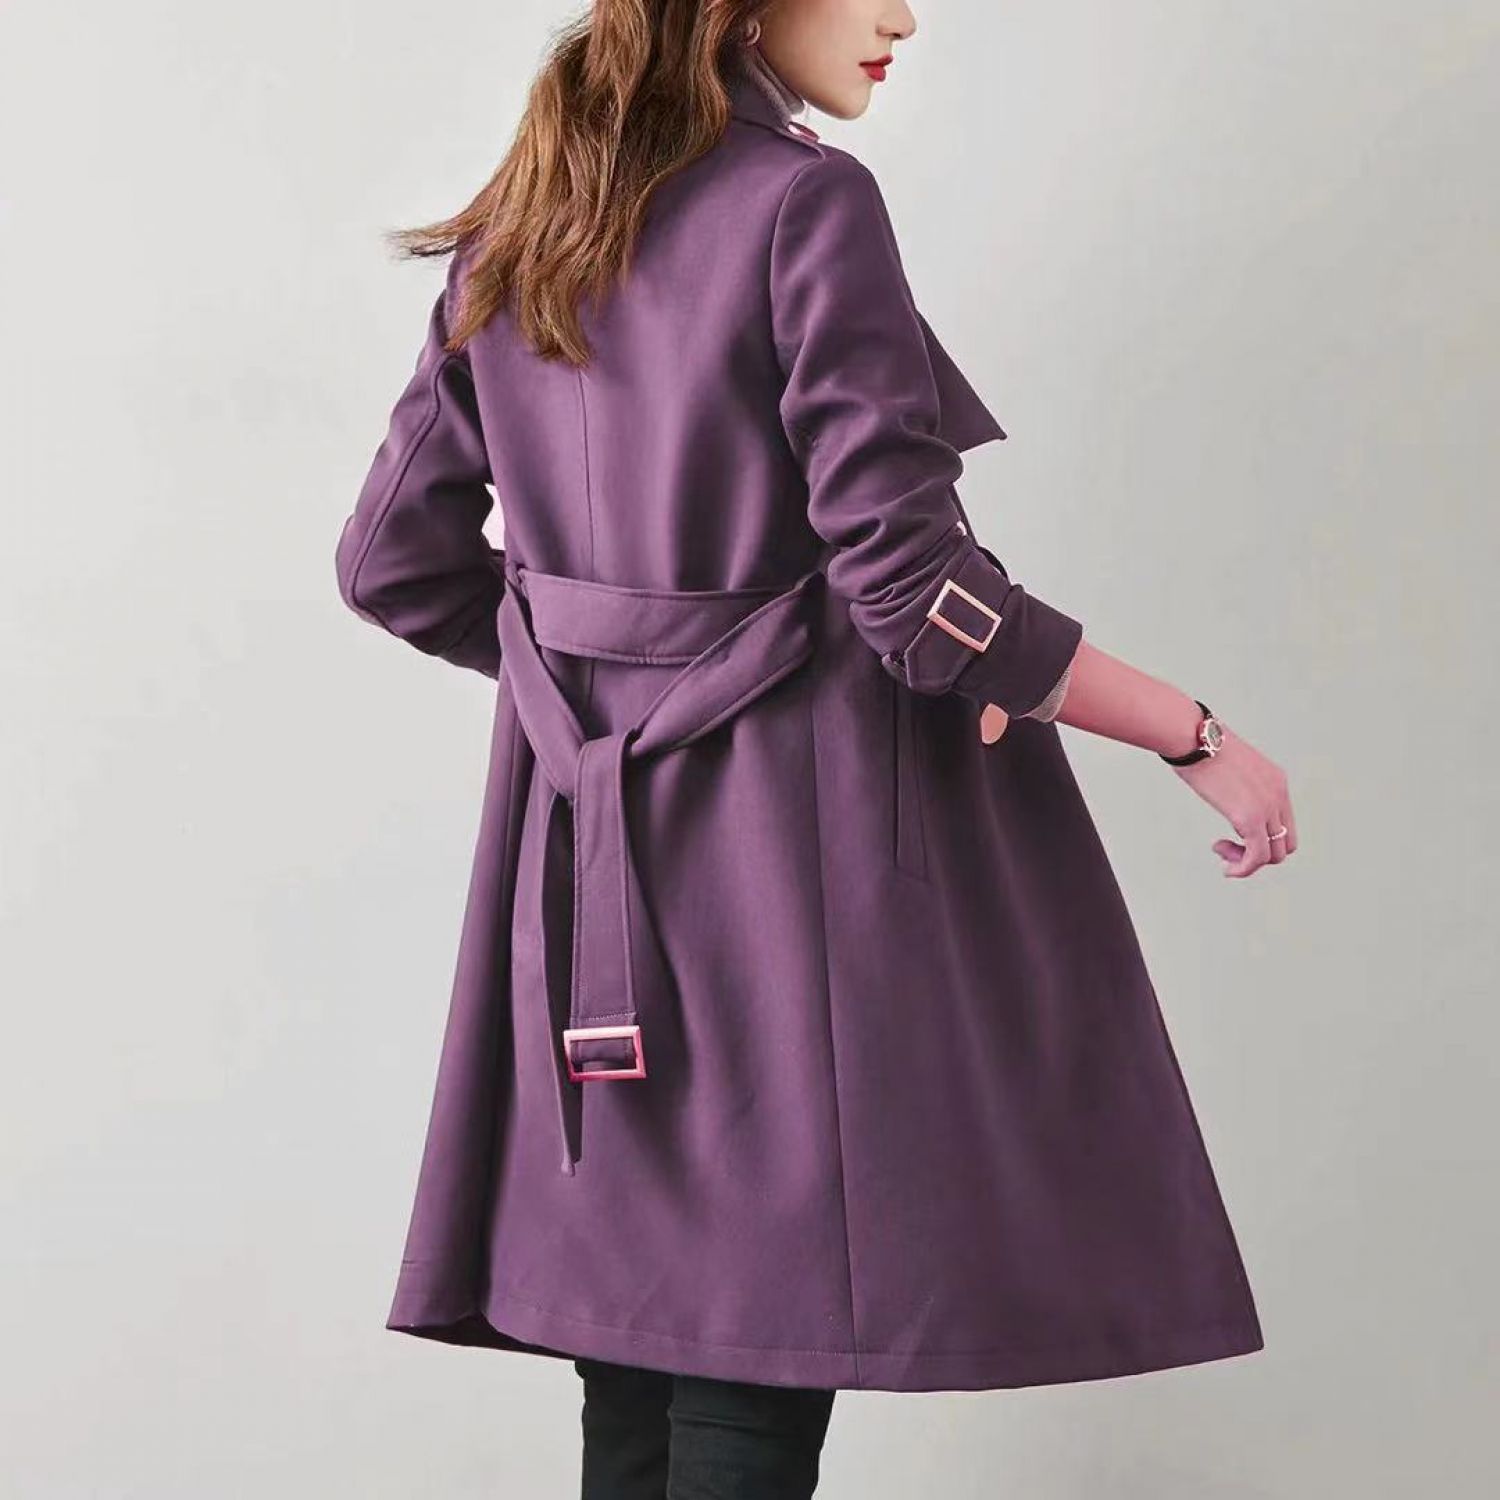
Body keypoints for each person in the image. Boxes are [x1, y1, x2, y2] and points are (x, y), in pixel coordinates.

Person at [334, 2, 1294, 1495]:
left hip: (577, 857)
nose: (905, 14)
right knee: (751, 1347)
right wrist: (1192, 731)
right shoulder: (804, 205)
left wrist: (588, 686)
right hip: (781, 860)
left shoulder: (531, 217)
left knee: (638, 1351)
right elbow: (911, 588)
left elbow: (391, 561)